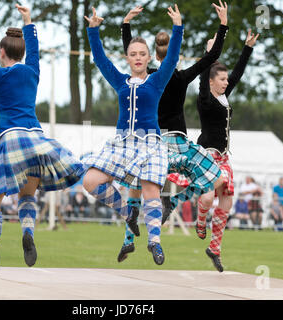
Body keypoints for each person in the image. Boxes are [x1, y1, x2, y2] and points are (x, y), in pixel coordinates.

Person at [0, 1, 84, 289]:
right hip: (37, 139)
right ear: (23, 52)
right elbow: (35, 51)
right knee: (28, 193)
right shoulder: (33, 72)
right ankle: (28, 232)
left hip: (12, 139)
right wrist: (28, 21)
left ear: (2, 52)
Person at [116, 2, 227, 262]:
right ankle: (174, 202)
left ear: (154, 57)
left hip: (153, 142)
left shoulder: (149, 77)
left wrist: (126, 23)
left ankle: (128, 239)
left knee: (135, 184)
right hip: (178, 142)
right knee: (217, 179)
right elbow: (211, 60)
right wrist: (223, 26)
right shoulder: (181, 77)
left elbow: (130, 51)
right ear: (175, 57)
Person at [83, 5, 184, 265]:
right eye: (133, 54)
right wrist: (93, 30)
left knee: (151, 189)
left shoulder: (156, 81)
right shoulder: (119, 81)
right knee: (91, 180)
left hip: (150, 142)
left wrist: (177, 28)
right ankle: (128, 211)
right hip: (122, 143)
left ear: (149, 58)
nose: (138, 58)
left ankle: (155, 242)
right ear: (127, 58)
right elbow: (101, 60)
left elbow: (171, 59)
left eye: (142, 54)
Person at [194, 27, 259, 272]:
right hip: (206, 155)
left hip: (223, 157)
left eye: (225, 80)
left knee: (227, 199)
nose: (226, 82)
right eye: (221, 79)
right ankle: (201, 222)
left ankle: (215, 247)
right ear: (211, 81)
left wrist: (248, 47)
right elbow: (201, 78)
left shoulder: (223, 96)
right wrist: (207, 54)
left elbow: (239, 73)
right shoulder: (205, 99)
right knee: (209, 196)